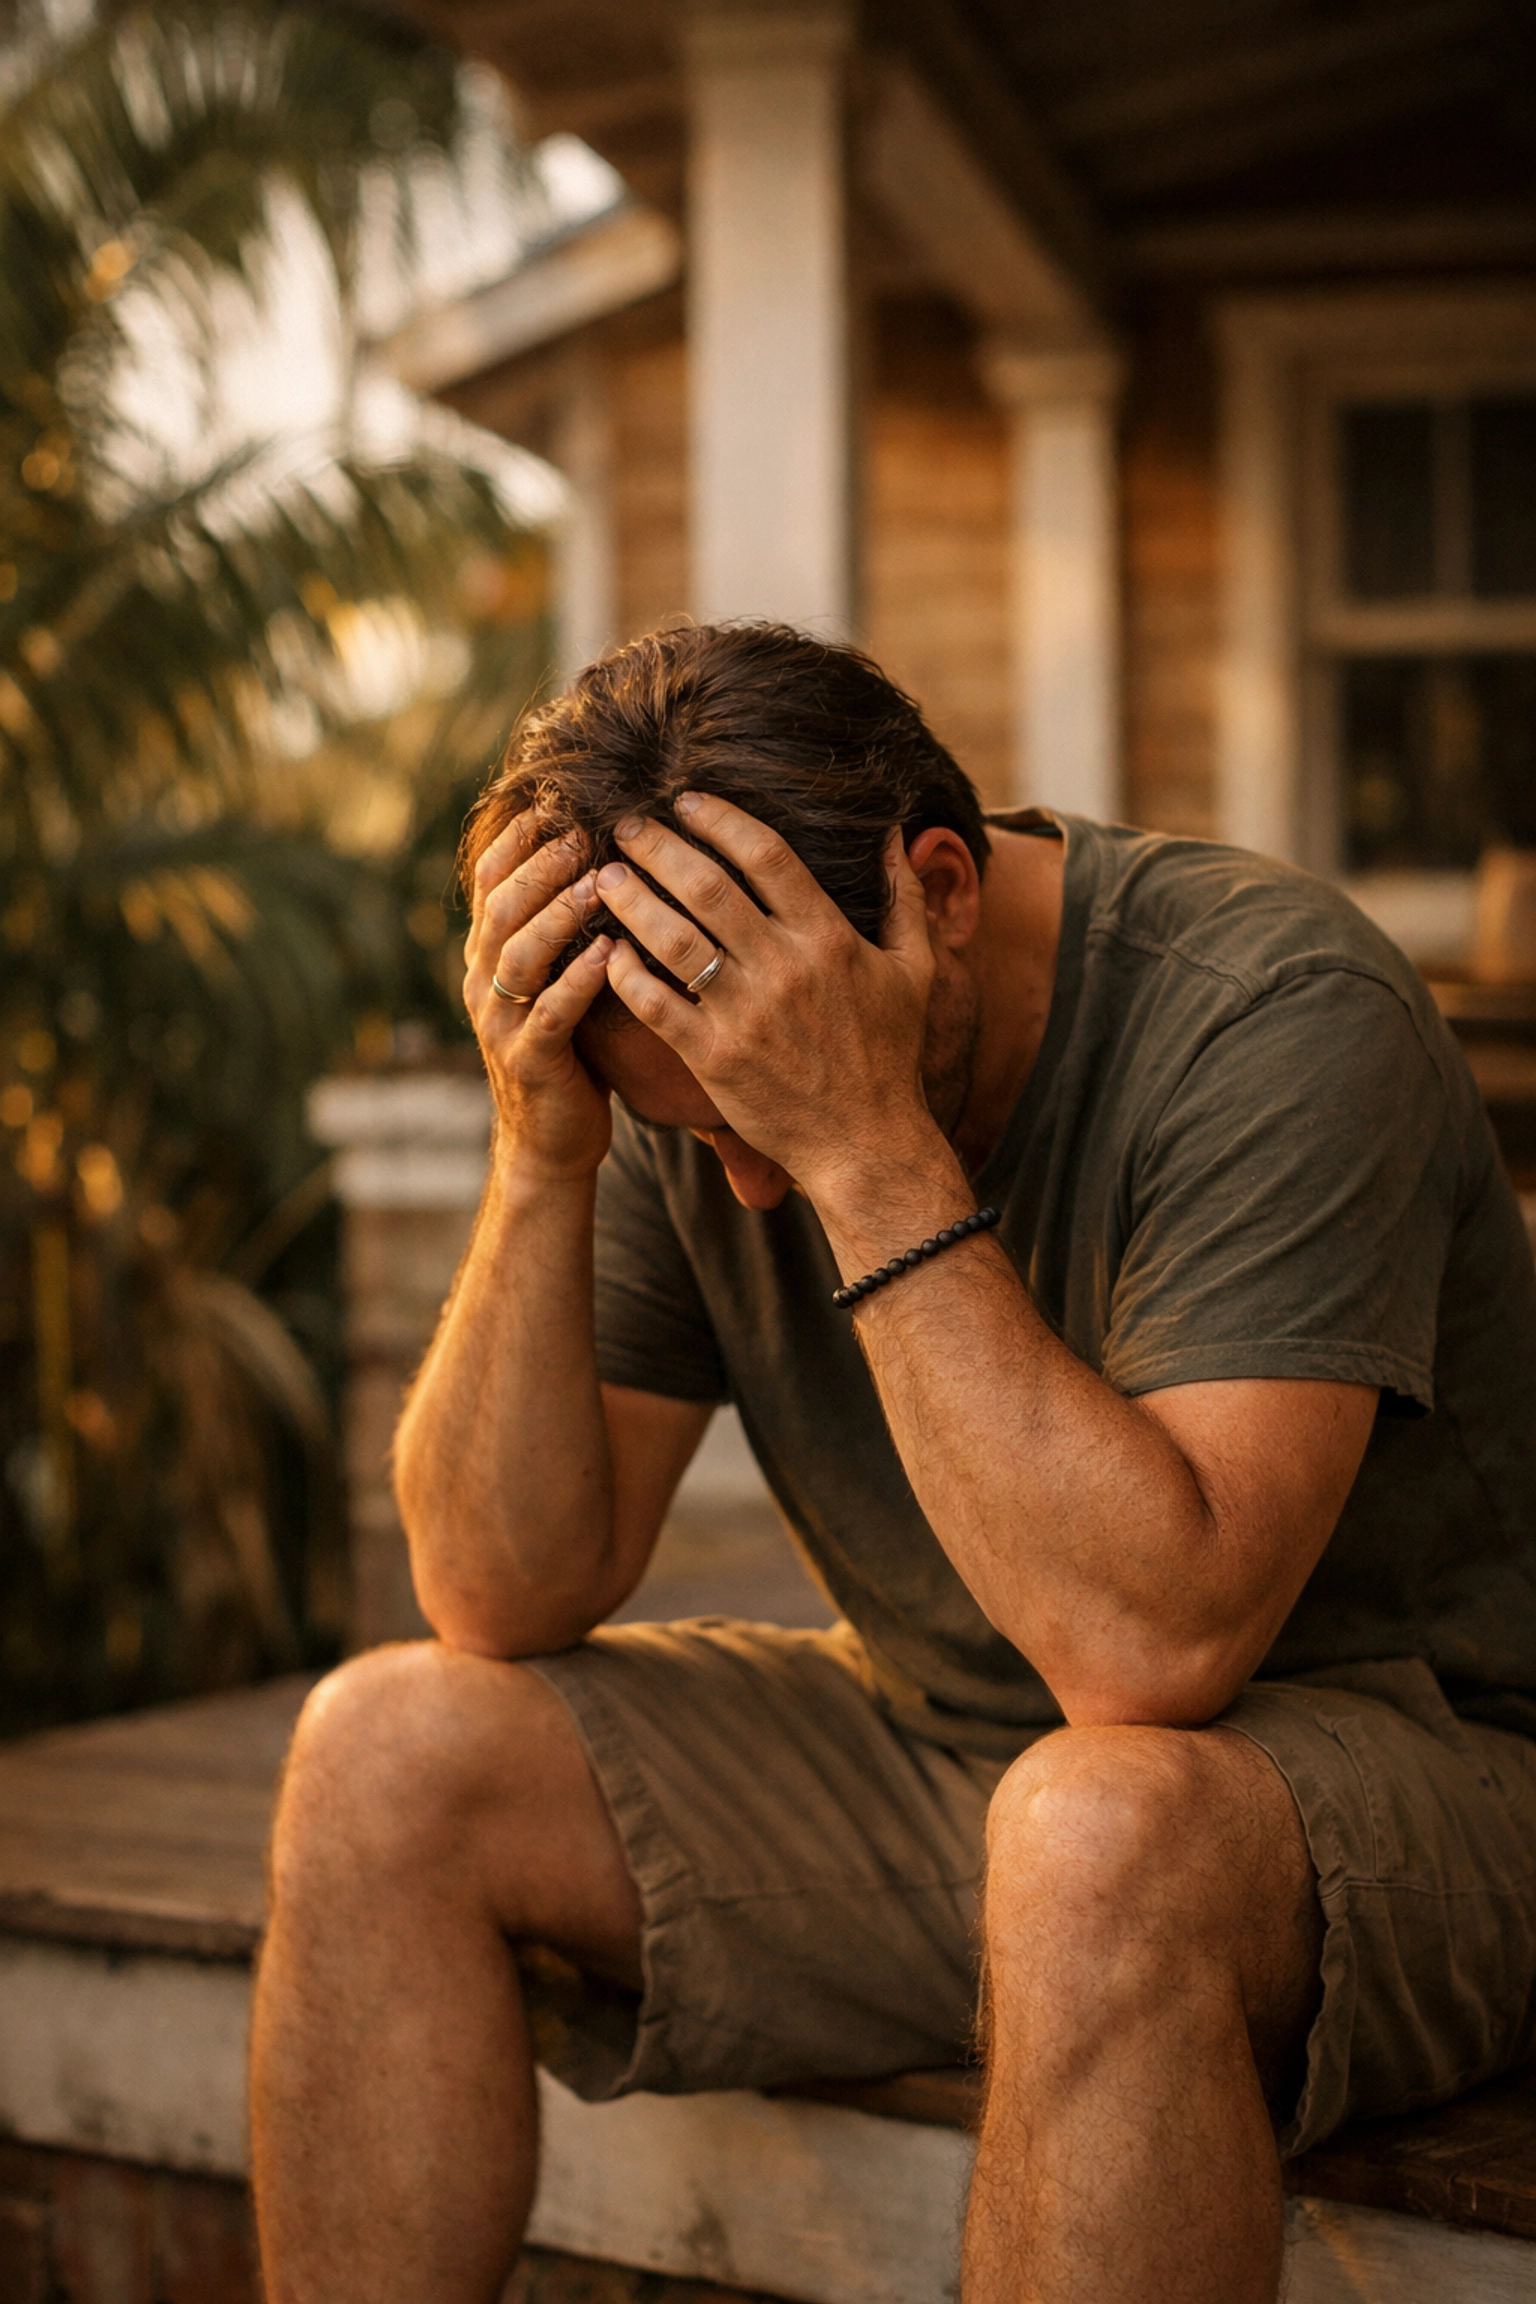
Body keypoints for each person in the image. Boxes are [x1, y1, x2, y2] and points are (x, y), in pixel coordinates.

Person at [251, 623, 1536, 2304]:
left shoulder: (1277, 1011)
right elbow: (500, 1584)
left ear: (938, 886)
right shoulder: (690, 1057)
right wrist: (547, 1147)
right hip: (977, 1776)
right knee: (388, 1748)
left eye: (757, 1124)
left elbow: (1154, 1651)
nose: (747, 1186)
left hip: (1420, 1780)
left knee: (1093, 1838)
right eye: (700, 1135)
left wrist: (860, 1137)